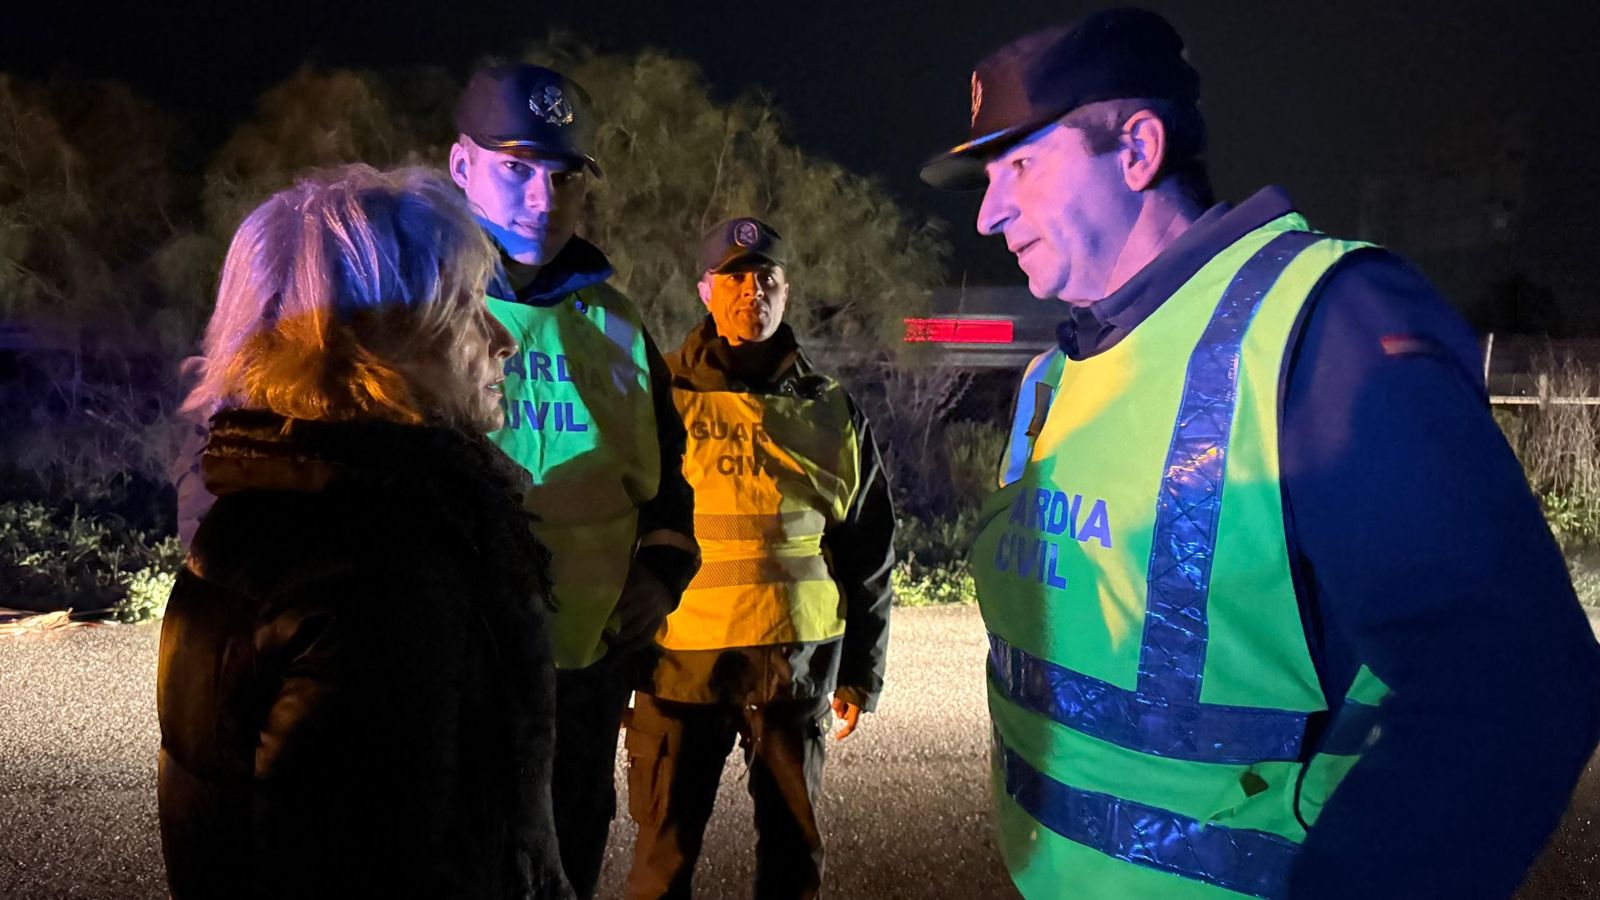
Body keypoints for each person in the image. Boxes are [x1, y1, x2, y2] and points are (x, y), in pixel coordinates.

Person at [920, 9, 1600, 899]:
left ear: (1137, 150)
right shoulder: (1059, 373)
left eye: (1020, 164)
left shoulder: (1324, 327)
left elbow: (1517, 689)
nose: (988, 212)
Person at [156, 165, 571, 899]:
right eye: (467, 305)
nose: (504, 338)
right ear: (366, 340)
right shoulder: (379, 576)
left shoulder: (272, 510)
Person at [448, 63, 699, 899]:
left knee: (569, 869)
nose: (542, 198)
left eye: (562, 177)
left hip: (584, 683)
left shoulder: (618, 323)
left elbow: (668, 481)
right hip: (452, 683)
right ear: (461, 167)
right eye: (515, 167)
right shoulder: (414, 306)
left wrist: (663, 572)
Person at [623, 218, 896, 899]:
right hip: (679, 666)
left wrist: (861, 671)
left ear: (787, 290)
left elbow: (869, 548)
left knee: (793, 864)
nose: (754, 293)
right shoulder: (660, 400)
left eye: (767, 278)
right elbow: (616, 528)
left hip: (793, 669)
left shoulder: (831, 408)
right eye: (736, 279)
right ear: (705, 291)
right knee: (662, 864)